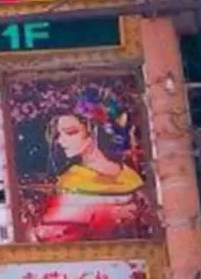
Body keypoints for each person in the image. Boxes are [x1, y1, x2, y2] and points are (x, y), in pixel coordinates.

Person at [31, 88, 152, 243]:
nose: (60, 141)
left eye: (70, 132)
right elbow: (50, 233)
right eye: (58, 135)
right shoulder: (69, 182)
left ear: (94, 131)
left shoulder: (130, 176)